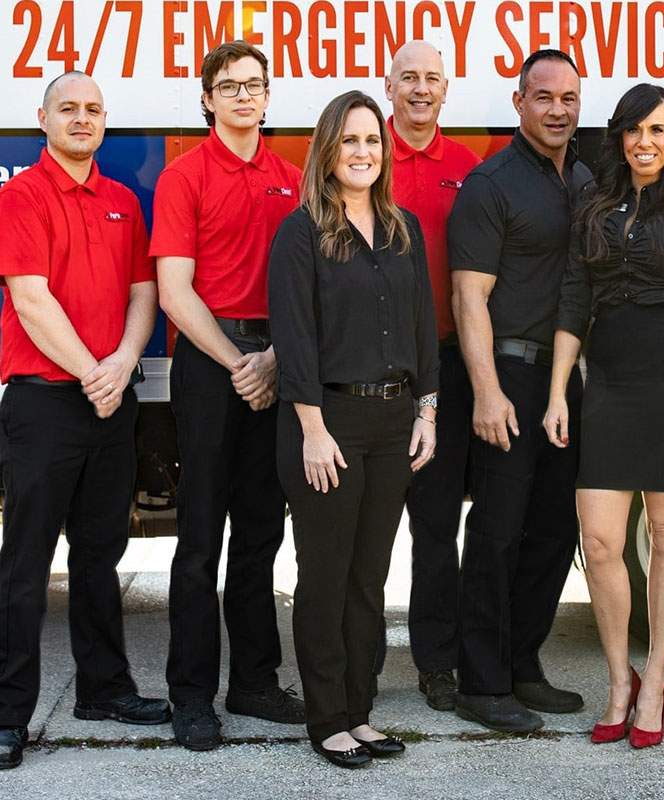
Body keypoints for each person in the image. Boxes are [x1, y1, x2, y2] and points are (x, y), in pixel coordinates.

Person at [545, 84, 664, 749]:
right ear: (619, 137)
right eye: (632, 130)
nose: (643, 142)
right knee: (598, 543)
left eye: (656, 130)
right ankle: (618, 678)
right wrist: (560, 390)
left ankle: (654, 680)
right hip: (610, 384)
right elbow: (572, 300)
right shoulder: (593, 205)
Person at [0, 71, 168, 771]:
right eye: (68, 108)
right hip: (44, 402)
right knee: (25, 566)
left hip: (108, 401)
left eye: (93, 110)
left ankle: (103, 689)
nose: (82, 118)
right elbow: (31, 300)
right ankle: (8, 716)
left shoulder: (124, 201)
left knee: (100, 557)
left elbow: (143, 292)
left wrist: (123, 363)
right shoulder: (20, 196)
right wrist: (93, 373)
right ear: (42, 119)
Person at [269, 90, 438, 768]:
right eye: (351, 141)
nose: (363, 151)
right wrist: (311, 429)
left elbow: (425, 324)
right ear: (328, 151)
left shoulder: (403, 229)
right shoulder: (302, 230)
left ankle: (360, 712)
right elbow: (295, 336)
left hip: (394, 420)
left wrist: (427, 409)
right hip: (327, 423)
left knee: (372, 578)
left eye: (373, 140)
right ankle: (326, 718)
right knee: (326, 575)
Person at [152, 40, 305, 751]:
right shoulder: (185, 178)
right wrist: (239, 363)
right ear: (208, 98)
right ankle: (192, 696)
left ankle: (254, 681)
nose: (245, 96)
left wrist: (273, 359)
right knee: (200, 535)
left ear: (269, 98)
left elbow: (307, 288)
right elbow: (174, 292)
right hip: (212, 369)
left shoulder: (293, 178)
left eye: (255, 85)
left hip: (275, 360)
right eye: (230, 86)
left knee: (260, 533)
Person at [447, 49, 592, 733]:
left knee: (553, 528)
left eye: (568, 98)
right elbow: (467, 296)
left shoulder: (586, 179)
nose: (557, 110)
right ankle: (481, 682)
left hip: (567, 383)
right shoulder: (491, 184)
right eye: (544, 97)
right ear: (518, 102)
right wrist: (485, 392)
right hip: (509, 375)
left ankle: (522, 665)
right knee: (498, 532)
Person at [381, 40, 481, 709]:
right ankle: (351, 663)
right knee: (358, 530)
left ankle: (436, 664)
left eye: (432, 79)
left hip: (442, 367)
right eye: (409, 77)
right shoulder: (361, 154)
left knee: (437, 526)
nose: (421, 89)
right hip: (369, 371)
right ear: (388, 86)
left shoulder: (468, 169)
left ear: (447, 90)